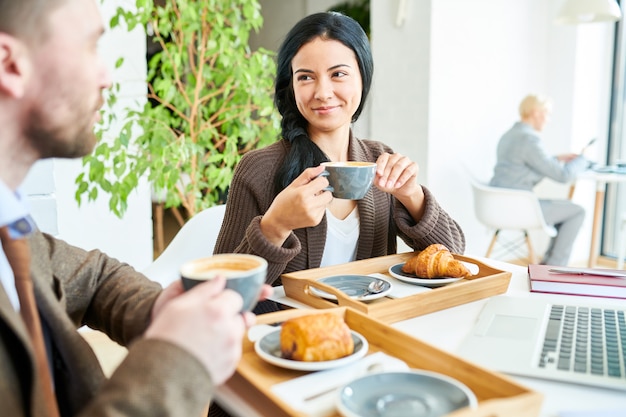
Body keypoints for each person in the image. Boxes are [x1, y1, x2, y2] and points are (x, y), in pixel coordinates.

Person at [0, 1, 271, 416]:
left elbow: (91, 277)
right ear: (10, 65)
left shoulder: (12, 224)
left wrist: (161, 307)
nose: (107, 77)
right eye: (90, 46)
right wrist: (174, 356)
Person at [214, 12, 465, 290]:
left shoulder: (379, 160)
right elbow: (222, 290)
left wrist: (412, 196)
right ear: (291, 86)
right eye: (306, 77)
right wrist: (275, 227)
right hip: (289, 330)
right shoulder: (258, 169)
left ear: (362, 78)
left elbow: (455, 256)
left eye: (338, 74)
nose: (323, 92)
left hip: (372, 325)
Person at [489, 93, 589, 266]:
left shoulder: (509, 135)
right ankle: (554, 268)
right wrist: (583, 159)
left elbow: (521, 167)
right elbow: (563, 176)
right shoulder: (529, 139)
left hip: (499, 204)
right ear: (536, 112)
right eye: (547, 114)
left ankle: (549, 265)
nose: (548, 120)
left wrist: (556, 158)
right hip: (519, 207)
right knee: (577, 211)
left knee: (566, 209)